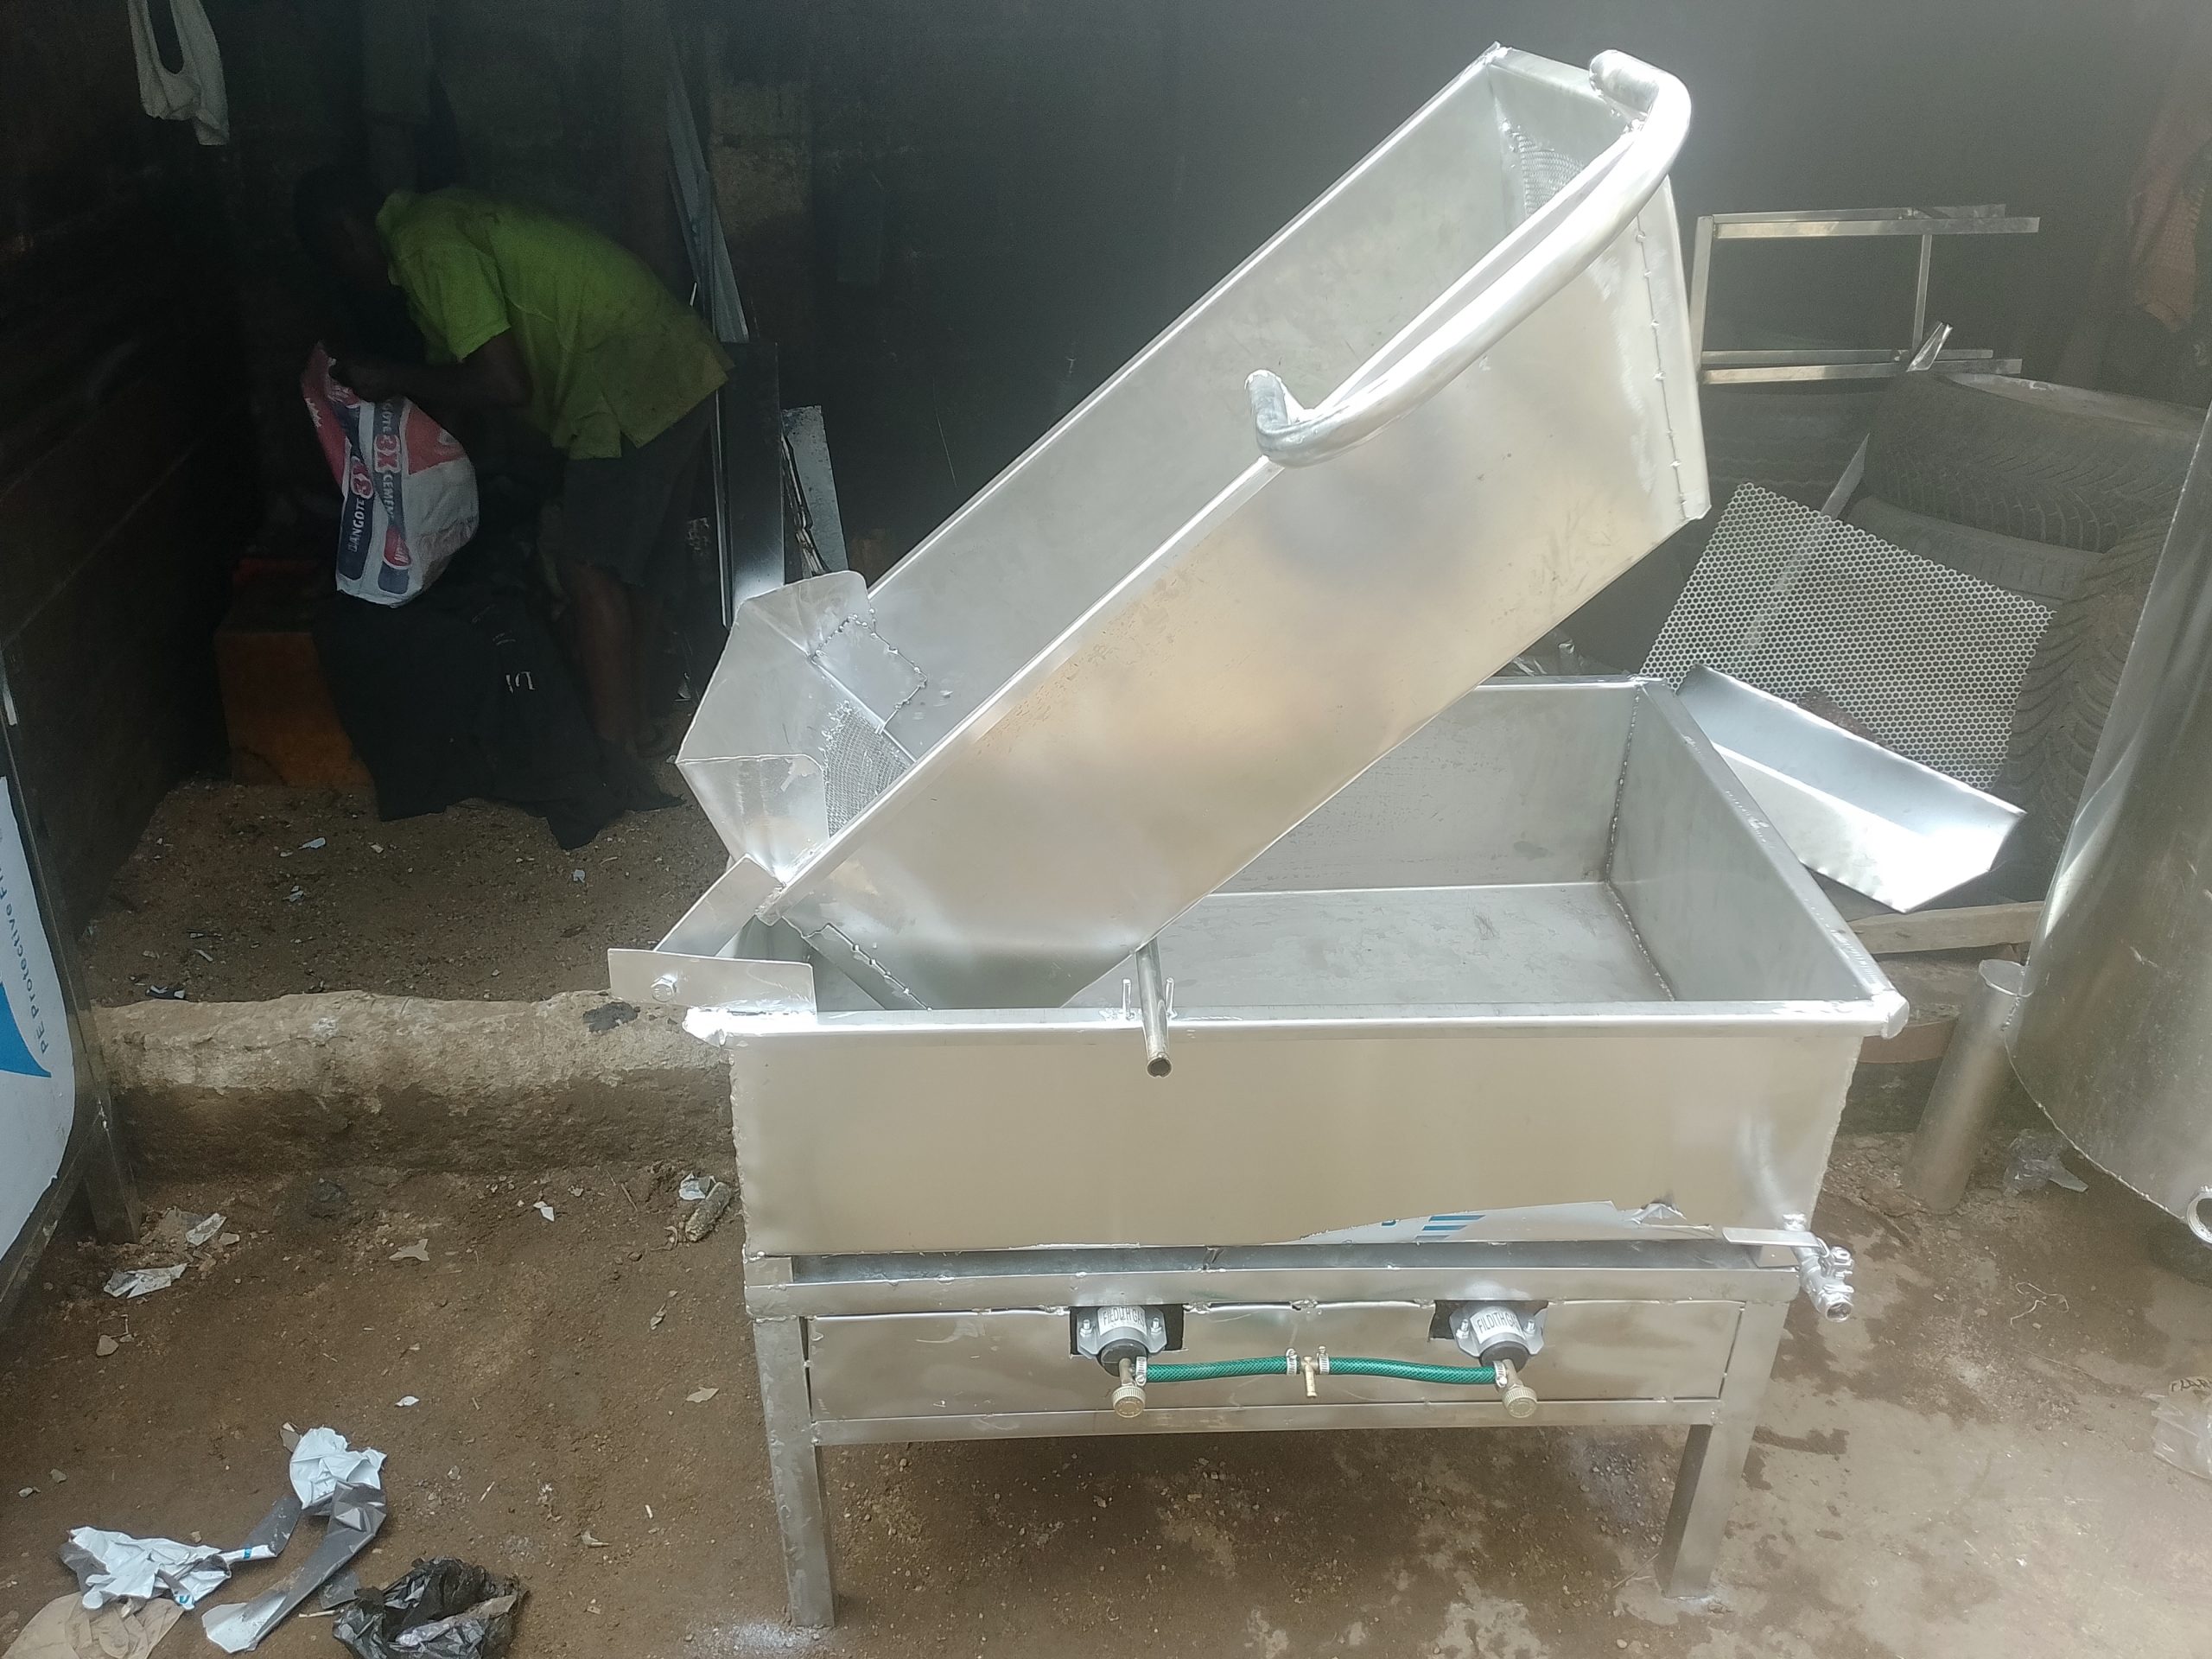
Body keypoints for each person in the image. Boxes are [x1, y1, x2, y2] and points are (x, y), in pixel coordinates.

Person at [291, 166, 728, 774]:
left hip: (625, 381)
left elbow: (503, 383)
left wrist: (390, 377)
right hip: (676, 365)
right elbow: (458, 395)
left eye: (338, 264)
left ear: (344, 234)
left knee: (586, 566)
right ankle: (639, 729)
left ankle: (612, 760)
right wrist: (416, 493)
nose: (350, 281)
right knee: (637, 566)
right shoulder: (436, 230)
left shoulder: (426, 245)